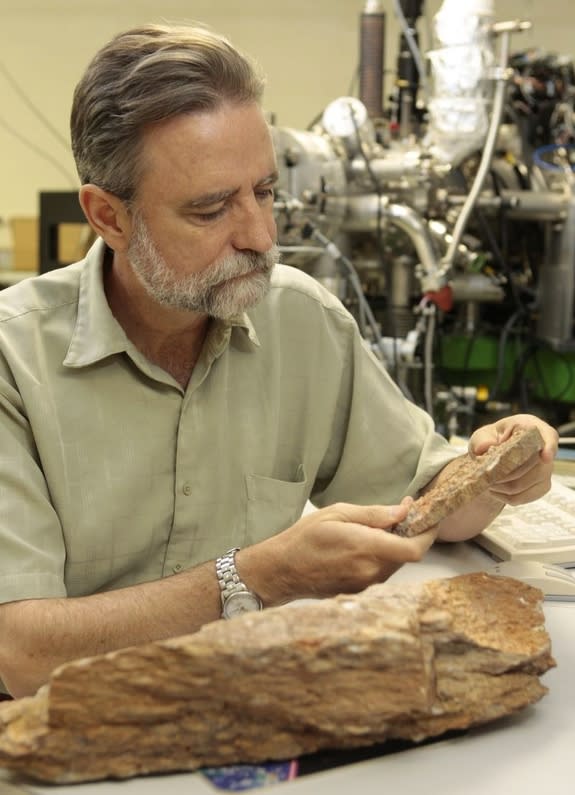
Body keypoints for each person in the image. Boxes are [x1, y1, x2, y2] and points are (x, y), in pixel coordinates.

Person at [0, 24, 557, 699]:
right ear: (108, 216)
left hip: (251, 709)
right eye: (210, 209)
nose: (261, 237)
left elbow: (424, 503)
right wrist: (256, 575)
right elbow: (20, 653)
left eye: (264, 192)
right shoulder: (14, 360)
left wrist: (497, 470)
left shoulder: (300, 319)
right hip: (56, 735)